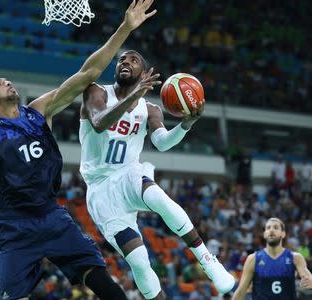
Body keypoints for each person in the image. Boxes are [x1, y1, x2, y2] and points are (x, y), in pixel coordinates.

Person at [0, 1, 157, 299]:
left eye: (7, 79)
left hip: (52, 216)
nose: (7, 82)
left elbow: (88, 72)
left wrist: (125, 28)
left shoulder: (39, 111)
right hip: (14, 226)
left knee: (101, 280)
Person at [79, 50, 235, 299]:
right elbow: (99, 123)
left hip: (128, 173)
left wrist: (185, 125)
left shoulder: (149, 108)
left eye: (134, 60)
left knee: (158, 198)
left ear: (144, 72)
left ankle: (208, 261)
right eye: (122, 60)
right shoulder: (96, 91)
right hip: (101, 189)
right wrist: (134, 94)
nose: (126, 62)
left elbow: (161, 142)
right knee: (140, 261)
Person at [232, 217, 312, 300]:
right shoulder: (253, 259)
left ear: (283, 234)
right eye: (268, 228)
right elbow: (241, 290)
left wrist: (309, 280)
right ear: (264, 234)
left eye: (276, 227)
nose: (271, 230)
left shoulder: (295, 257)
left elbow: (307, 275)